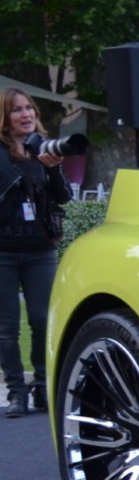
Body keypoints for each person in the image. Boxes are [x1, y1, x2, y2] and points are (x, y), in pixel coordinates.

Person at [1, 87, 70, 418]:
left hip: (41, 249)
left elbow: (64, 196)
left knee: (43, 319)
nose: (26, 114)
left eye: (29, 108)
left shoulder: (44, 149)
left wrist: (53, 168)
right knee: (7, 328)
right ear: (4, 117)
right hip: (3, 251)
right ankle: (17, 392)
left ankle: (43, 386)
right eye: (17, 110)